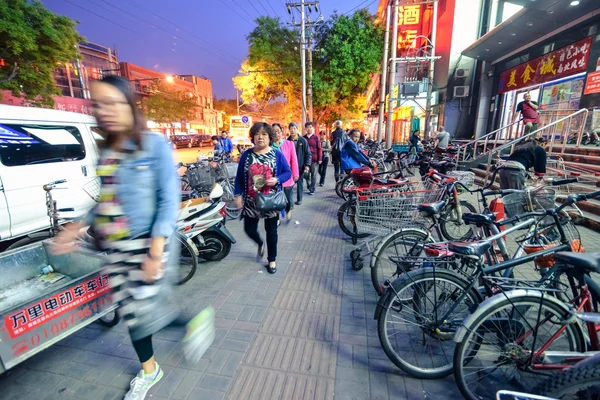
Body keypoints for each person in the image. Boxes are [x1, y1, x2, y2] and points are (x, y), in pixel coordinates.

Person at [52, 76, 210, 400]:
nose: (105, 111)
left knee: (143, 312)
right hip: (116, 247)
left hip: (147, 243)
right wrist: (77, 225)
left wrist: (155, 251)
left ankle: (179, 338)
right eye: (98, 104)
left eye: (113, 103)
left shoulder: (153, 145)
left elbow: (168, 199)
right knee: (130, 312)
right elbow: (107, 201)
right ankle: (153, 365)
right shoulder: (107, 149)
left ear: (130, 105)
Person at [234, 122, 292, 274]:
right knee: (249, 229)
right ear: (252, 136)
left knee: (271, 232)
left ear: (270, 137)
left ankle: (271, 259)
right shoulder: (247, 155)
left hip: (270, 200)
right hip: (251, 201)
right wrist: (237, 195)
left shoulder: (276, 154)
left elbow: (288, 172)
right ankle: (260, 243)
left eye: (264, 134)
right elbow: (239, 177)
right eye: (257, 134)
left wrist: (277, 179)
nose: (260, 137)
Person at [272, 123, 299, 223]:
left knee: (287, 197)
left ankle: (287, 210)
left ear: (282, 132)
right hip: (275, 176)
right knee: (276, 197)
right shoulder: (269, 146)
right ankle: (277, 217)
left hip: (287, 175)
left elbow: (294, 160)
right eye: (274, 132)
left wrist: (295, 174)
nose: (276, 134)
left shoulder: (289, 144)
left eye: (278, 131)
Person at [288, 122, 311, 205]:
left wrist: (307, 165)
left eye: (294, 128)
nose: (293, 130)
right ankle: (289, 200)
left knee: (300, 183)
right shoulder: (287, 141)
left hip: (300, 166)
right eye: (291, 128)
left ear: (297, 129)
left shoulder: (303, 141)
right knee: (289, 185)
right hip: (289, 167)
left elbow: (308, 154)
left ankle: (299, 199)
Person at [303, 121, 322, 195]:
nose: (309, 129)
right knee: (306, 174)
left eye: (310, 127)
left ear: (312, 128)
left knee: (314, 175)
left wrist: (320, 158)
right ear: (305, 129)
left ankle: (312, 189)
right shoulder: (303, 138)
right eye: (307, 127)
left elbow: (319, 148)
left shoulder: (316, 137)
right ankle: (309, 184)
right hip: (306, 160)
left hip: (314, 159)